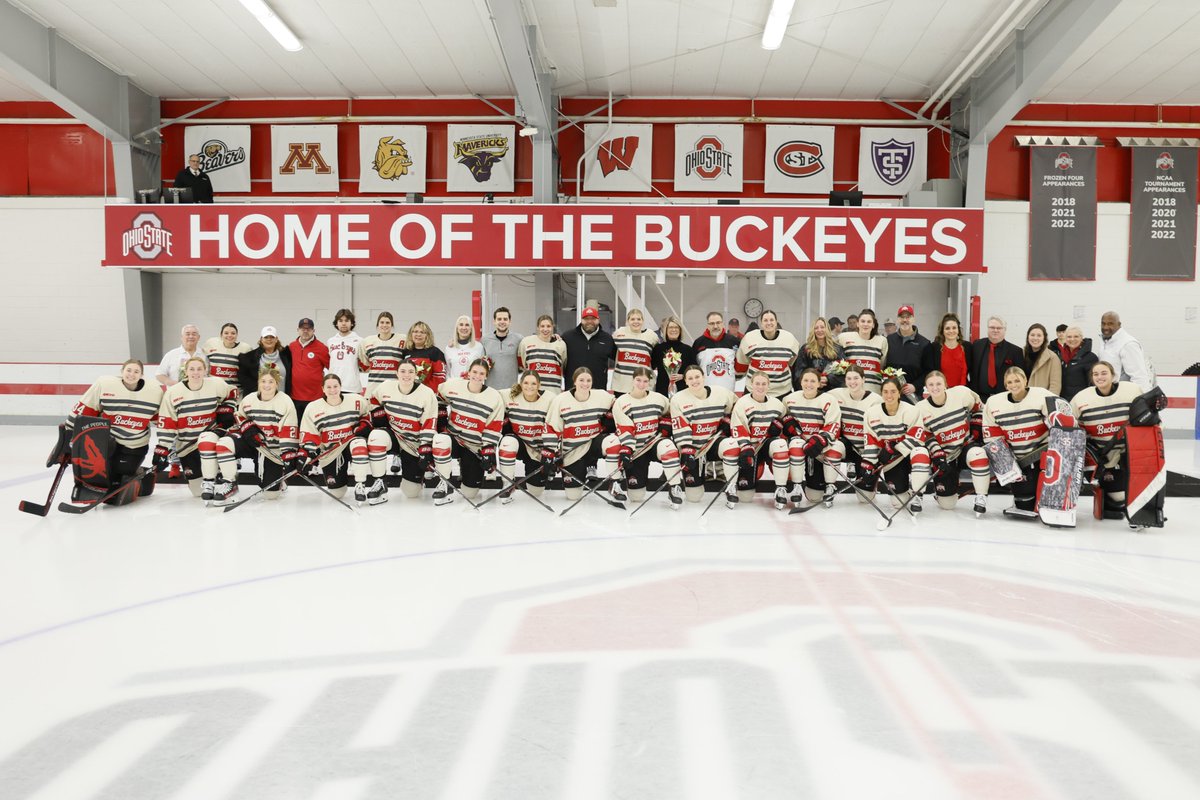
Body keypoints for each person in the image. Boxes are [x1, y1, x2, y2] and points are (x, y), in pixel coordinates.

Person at [59, 359, 163, 506]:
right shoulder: (106, 385)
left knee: (121, 476)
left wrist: (165, 446)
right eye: (128, 370)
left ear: (142, 375)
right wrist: (68, 436)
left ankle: (143, 476)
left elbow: (163, 420)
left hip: (135, 445)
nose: (131, 374)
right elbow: (85, 410)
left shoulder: (154, 392)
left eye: (136, 371)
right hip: (107, 441)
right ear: (122, 372)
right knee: (100, 473)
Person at [983, 366, 1068, 516]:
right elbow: (992, 437)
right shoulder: (994, 402)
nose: (1013, 385)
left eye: (1017, 380)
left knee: (1048, 499)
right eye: (1009, 382)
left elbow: (1061, 421)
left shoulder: (1041, 395)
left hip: (1040, 454)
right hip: (1018, 460)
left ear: (1025, 380)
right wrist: (1007, 464)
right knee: (1025, 504)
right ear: (1005, 384)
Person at [156, 356, 239, 502]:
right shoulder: (173, 392)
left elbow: (232, 392)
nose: (196, 373)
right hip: (187, 446)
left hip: (211, 437)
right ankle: (209, 480)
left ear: (205, 370)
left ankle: (226, 479)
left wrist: (227, 408)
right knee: (196, 491)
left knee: (217, 456)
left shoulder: (215, 384)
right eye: (192, 369)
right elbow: (167, 422)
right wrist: (162, 448)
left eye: (199, 369)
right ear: (185, 371)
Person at [1071, 360, 1145, 521]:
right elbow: (1070, 423)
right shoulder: (1081, 398)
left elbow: (1147, 417)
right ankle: (1108, 496)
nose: (1100, 377)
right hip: (1100, 458)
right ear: (1091, 378)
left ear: (1113, 375)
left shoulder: (1131, 391)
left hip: (1127, 453)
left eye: (1104, 373)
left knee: (1125, 496)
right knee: (1117, 497)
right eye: (1095, 374)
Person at [361, 359, 438, 503]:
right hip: (394, 436)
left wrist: (425, 447)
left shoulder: (427, 393)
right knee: (376, 436)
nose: (406, 375)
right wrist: (378, 413)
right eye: (402, 371)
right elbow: (371, 401)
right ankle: (379, 482)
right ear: (396, 373)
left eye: (410, 372)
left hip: (413, 443)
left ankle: (415, 477)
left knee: (411, 493)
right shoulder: (386, 387)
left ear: (416, 374)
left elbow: (429, 423)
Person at [914, 371, 989, 515]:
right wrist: (938, 455)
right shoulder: (920, 408)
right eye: (931, 385)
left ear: (945, 385)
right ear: (926, 387)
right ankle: (946, 490)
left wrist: (975, 429)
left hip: (964, 447)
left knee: (978, 453)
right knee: (947, 505)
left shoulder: (961, 393)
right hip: (944, 456)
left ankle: (981, 497)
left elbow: (979, 408)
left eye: (938, 384)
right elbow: (926, 435)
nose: (935, 388)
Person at [432, 358, 506, 505]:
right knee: (441, 440)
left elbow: (494, 426)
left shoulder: (494, 397)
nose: (477, 376)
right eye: (474, 372)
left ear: (486, 376)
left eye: (481, 373)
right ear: (469, 372)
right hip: (454, 438)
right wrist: (441, 417)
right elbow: (438, 396)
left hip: (474, 446)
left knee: (470, 493)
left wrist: (488, 450)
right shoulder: (454, 385)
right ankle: (445, 483)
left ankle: (465, 465)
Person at [601, 366, 675, 507]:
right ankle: (614, 483)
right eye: (638, 380)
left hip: (654, 443)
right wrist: (627, 449)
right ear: (632, 380)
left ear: (650, 382)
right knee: (636, 496)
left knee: (668, 447)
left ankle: (674, 486)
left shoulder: (659, 398)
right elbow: (625, 427)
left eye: (645, 381)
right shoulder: (622, 401)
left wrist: (667, 422)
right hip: (635, 448)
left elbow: (672, 412)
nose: (642, 384)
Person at [542, 367, 616, 502]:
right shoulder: (561, 400)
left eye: (588, 380)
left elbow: (620, 405)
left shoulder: (601, 396)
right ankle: (580, 469)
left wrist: (611, 417)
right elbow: (551, 427)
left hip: (593, 443)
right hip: (572, 451)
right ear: (574, 381)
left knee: (613, 443)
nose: (585, 384)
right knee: (573, 496)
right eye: (581, 380)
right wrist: (549, 452)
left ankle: (614, 482)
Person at [717, 371, 788, 509]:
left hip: (767, 444)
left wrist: (780, 427)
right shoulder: (742, 403)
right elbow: (738, 428)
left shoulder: (777, 404)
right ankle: (732, 487)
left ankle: (781, 488)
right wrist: (746, 447)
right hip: (749, 448)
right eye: (757, 383)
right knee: (745, 497)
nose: (760, 387)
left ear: (768, 386)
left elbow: (785, 420)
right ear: (751, 385)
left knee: (780, 445)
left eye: (763, 384)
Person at [860, 376, 931, 510]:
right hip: (892, 460)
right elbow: (870, 441)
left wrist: (894, 448)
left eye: (893, 391)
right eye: (885, 391)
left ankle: (917, 494)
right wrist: (868, 465)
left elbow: (917, 438)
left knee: (921, 452)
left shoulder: (912, 410)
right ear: (881, 393)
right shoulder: (871, 413)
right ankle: (905, 491)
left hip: (908, 455)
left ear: (899, 392)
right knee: (898, 503)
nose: (889, 395)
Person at [669, 365, 737, 503]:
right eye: (690, 378)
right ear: (686, 381)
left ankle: (731, 486)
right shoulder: (678, 399)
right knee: (694, 497)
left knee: (732, 445)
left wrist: (729, 420)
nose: (694, 381)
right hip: (693, 447)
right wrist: (686, 450)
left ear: (703, 377)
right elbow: (680, 428)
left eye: (697, 377)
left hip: (714, 441)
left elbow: (739, 406)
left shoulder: (722, 393)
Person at [231, 367, 300, 502]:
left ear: (277, 384)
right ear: (258, 382)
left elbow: (289, 430)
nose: (266, 385)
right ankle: (229, 483)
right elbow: (239, 417)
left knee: (271, 495)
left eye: (271, 382)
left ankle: (278, 476)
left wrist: (289, 456)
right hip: (252, 444)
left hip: (271, 450)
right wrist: (246, 427)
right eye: (263, 381)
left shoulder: (285, 401)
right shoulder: (249, 399)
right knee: (225, 445)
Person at [299, 373, 371, 498]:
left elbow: (367, 416)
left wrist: (365, 424)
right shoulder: (313, 407)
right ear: (322, 389)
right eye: (329, 387)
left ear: (341, 386)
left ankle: (360, 484)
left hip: (350, 444)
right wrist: (309, 456)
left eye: (335, 386)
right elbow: (309, 434)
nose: (332, 390)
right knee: (337, 493)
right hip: (331, 452)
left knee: (359, 443)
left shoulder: (356, 400)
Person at [781, 368, 845, 509]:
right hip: (803, 444)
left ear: (819, 384)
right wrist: (787, 422)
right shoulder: (790, 400)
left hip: (821, 445)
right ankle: (797, 486)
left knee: (815, 497)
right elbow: (783, 418)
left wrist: (820, 439)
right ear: (800, 382)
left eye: (812, 381)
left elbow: (833, 425)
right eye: (805, 380)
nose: (808, 384)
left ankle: (830, 486)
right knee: (796, 443)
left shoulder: (829, 400)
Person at [498, 370, 556, 503]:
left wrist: (551, 452)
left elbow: (556, 426)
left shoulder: (550, 399)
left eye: (533, 383)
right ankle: (507, 483)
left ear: (539, 385)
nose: (529, 386)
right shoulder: (508, 395)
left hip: (538, 450)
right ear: (520, 384)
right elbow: (488, 396)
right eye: (526, 383)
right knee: (507, 441)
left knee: (536, 491)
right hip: (519, 444)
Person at [827, 365, 883, 478]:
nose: (852, 382)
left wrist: (871, 457)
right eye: (849, 378)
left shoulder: (876, 401)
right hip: (846, 446)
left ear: (863, 379)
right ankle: (830, 485)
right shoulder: (835, 394)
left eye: (856, 378)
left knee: (865, 493)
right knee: (835, 446)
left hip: (866, 449)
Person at [735, 310, 801, 399]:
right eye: (765, 320)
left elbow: (791, 362)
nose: (769, 323)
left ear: (776, 322)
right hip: (754, 391)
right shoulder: (749, 338)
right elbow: (743, 361)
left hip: (782, 392)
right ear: (761, 323)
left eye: (771, 320)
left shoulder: (789, 339)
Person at [562, 306, 617, 391]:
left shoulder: (607, 339)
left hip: (598, 391)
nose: (589, 321)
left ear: (598, 319)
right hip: (573, 390)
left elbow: (618, 359)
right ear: (582, 320)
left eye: (593, 319)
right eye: (586, 319)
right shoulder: (567, 337)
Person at [968, 316, 1023, 400]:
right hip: (980, 398)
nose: (995, 330)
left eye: (999, 328)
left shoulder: (1015, 351)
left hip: (1005, 398)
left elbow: (1020, 377)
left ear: (1005, 330)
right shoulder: (977, 345)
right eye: (992, 327)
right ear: (987, 328)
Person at [288, 317, 331, 422]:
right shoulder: (291, 347)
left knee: (315, 426)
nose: (305, 331)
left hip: (315, 398)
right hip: (295, 397)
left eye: (309, 328)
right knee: (297, 426)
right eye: (303, 328)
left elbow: (332, 367)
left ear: (314, 331)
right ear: (298, 330)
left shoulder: (322, 348)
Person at [885, 305, 930, 401]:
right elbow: (884, 366)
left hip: (913, 396)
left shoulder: (924, 343)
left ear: (913, 319)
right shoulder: (888, 340)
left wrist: (915, 386)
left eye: (908, 317)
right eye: (902, 317)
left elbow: (928, 371)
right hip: (890, 395)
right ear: (897, 320)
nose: (905, 320)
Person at [1098, 311, 1153, 391]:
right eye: (1103, 323)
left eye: (1110, 324)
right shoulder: (1105, 341)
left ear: (1119, 324)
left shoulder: (1128, 344)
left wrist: (1141, 400)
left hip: (1123, 396)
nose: (1106, 327)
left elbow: (1139, 376)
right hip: (1109, 393)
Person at [838, 308, 888, 394]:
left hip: (874, 391)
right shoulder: (843, 337)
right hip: (850, 390)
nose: (865, 324)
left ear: (873, 325)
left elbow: (882, 365)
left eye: (869, 322)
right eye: (863, 321)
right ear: (857, 323)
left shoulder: (882, 341)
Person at [610, 308, 659, 396]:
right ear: (628, 321)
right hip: (622, 385)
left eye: (638, 319)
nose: (635, 321)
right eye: (632, 319)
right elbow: (611, 352)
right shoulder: (619, 334)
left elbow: (656, 357)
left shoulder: (651, 336)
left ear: (643, 321)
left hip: (643, 384)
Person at [518, 314, 568, 395]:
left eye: (548, 326)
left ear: (552, 327)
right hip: (533, 391)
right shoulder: (526, 342)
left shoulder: (561, 344)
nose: (545, 329)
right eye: (542, 326)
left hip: (553, 391)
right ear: (538, 327)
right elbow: (523, 364)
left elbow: (563, 366)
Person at [692, 310, 740, 392]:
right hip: (705, 392)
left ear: (723, 324)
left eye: (718, 323)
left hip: (728, 391)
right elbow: (693, 368)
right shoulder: (698, 343)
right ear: (707, 325)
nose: (715, 326)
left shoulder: (734, 341)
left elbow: (740, 365)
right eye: (712, 323)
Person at [794, 316, 845, 392]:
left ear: (827, 329)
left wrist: (828, 379)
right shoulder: (806, 349)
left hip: (832, 392)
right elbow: (798, 373)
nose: (819, 330)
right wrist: (814, 381)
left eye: (822, 327)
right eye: (816, 328)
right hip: (811, 391)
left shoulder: (837, 349)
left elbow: (843, 371)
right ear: (813, 331)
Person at [238, 326, 292, 397]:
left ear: (276, 339)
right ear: (261, 339)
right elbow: (243, 378)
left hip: (280, 401)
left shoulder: (286, 355)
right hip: (259, 401)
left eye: (272, 337)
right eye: (266, 337)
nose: (269, 339)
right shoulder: (249, 357)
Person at [651, 315, 698, 396]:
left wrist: (683, 376)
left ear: (680, 330)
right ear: (666, 329)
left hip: (684, 392)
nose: (674, 330)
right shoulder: (658, 349)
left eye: (676, 327)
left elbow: (695, 372)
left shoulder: (688, 350)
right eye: (670, 327)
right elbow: (650, 367)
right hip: (662, 392)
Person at [357, 311, 405, 390]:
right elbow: (364, 362)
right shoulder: (367, 341)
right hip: (373, 386)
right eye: (382, 322)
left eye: (387, 322)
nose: (384, 325)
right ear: (377, 324)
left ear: (392, 325)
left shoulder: (402, 339)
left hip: (394, 386)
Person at [921, 313, 969, 389]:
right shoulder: (934, 348)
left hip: (962, 392)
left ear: (958, 330)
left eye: (954, 328)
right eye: (947, 328)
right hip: (941, 392)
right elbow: (929, 373)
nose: (951, 331)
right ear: (942, 331)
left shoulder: (967, 347)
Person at [202, 322, 252, 397]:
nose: (229, 335)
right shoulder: (211, 344)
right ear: (221, 335)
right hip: (214, 392)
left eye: (233, 333)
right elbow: (202, 362)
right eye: (226, 333)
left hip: (235, 393)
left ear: (237, 335)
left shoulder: (245, 349)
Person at [482, 307, 522, 390]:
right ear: (494, 321)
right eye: (499, 319)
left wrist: (553, 338)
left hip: (511, 390)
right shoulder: (485, 340)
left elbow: (533, 344)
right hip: (490, 390)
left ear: (509, 321)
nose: (502, 322)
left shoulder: (519, 339)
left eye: (505, 319)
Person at [404, 321, 448, 394]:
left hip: (427, 394)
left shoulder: (435, 352)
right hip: (408, 394)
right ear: (411, 334)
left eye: (422, 332)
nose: (418, 334)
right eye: (415, 331)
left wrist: (424, 392)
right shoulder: (406, 352)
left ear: (428, 335)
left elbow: (439, 378)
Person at [326, 309, 363, 395]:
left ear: (352, 323)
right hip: (333, 386)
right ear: (336, 323)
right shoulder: (330, 341)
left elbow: (364, 363)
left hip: (352, 386)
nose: (343, 323)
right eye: (340, 320)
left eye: (347, 320)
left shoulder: (359, 341)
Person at [1057, 325, 1099, 401]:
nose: (1072, 339)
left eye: (1076, 336)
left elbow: (1093, 384)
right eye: (1069, 337)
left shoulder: (1090, 357)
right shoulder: (1060, 357)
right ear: (1065, 339)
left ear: (1081, 338)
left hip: (1081, 401)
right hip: (1063, 401)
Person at [1024, 323, 1062, 395]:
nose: (1035, 338)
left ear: (1044, 338)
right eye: (1032, 335)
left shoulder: (1052, 358)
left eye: (1039, 335)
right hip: (1022, 400)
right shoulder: (1021, 354)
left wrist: (1048, 403)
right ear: (1028, 337)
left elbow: (1055, 387)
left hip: (1041, 401)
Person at [444, 314, 485, 381]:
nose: (464, 328)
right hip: (455, 387)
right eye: (461, 325)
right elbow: (447, 371)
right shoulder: (449, 348)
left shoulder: (478, 347)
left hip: (473, 387)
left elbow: (482, 369)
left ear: (471, 329)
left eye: (467, 325)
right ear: (457, 328)